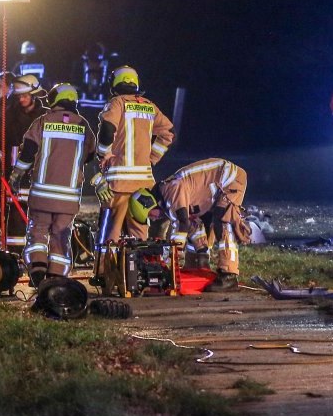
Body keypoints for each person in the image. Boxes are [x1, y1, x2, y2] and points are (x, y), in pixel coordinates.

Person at [89, 65, 174, 288]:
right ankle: (139, 279)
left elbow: (107, 128)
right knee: (140, 233)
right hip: (144, 183)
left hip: (118, 182)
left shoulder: (117, 103)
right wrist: (151, 159)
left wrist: (103, 152)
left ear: (114, 84)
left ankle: (105, 276)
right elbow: (168, 134)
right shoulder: (149, 106)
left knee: (111, 233)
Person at [13, 83, 95, 287]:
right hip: (68, 197)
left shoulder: (43, 121)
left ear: (54, 100)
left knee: (37, 231)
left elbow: (28, 151)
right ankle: (57, 277)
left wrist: (17, 173)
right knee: (62, 235)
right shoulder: (83, 124)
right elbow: (90, 154)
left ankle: (38, 270)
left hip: (42, 193)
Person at [129, 158, 249, 292]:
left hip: (230, 179)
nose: (154, 218)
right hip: (217, 186)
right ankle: (199, 263)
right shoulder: (168, 199)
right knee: (196, 226)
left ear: (149, 203)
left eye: (150, 214)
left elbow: (182, 223)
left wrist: (170, 257)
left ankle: (229, 276)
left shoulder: (171, 189)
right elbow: (191, 225)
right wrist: (200, 253)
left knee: (223, 222)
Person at [0, 74, 48, 250]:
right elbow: (0, 140)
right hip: (14, 171)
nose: (22, 99)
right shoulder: (9, 114)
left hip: (39, 171)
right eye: (19, 96)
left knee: (38, 212)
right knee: (14, 212)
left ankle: (37, 250)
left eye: (25, 95)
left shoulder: (45, 116)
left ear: (34, 95)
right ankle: (15, 252)